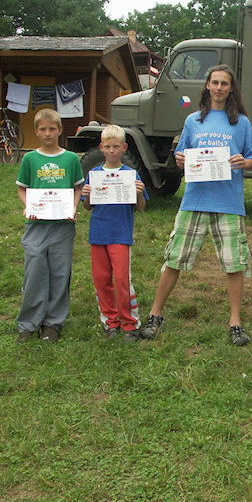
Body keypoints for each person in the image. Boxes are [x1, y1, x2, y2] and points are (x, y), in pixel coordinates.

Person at [139, 65, 252, 346]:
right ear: (207, 85)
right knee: (174, 259)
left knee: (234, 264)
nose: (219, 88)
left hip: (228, 203)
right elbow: (181, 155)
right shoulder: (193, 121)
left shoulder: (241, 122)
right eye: (214, 82)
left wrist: (244, 162)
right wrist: (181, 160)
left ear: (231, 88)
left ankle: (235, 323)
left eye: (224, 83)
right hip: (195, 200)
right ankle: (155, 315)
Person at [15, 108, 84, 343]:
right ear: (36, 131)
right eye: (43, 129)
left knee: (60, 273)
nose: (47, 133)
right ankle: (28, 324)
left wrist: (73, 207)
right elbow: (22, 189)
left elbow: (77, 188)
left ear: (60, 130)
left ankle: (53, 323)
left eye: (52, 129)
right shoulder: (30, 159)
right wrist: (29, 207)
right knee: (34, 273)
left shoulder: (71, 159)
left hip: (62, 226)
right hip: (36, 225)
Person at [81, 125, 148, 342]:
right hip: (98, 235)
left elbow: (140, 208)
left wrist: (139, 193)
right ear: (101, 147)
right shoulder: (94, 174)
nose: (112, 151)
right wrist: (87, 195)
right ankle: (110, 322)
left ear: (124, 148)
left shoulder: (131, 175)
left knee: (122, 280)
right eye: (108, 147)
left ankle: (130, 324)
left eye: (116, 147)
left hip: (121, 235)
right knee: (101, 280)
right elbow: (87, 207)